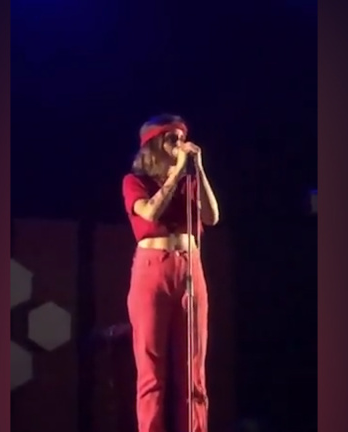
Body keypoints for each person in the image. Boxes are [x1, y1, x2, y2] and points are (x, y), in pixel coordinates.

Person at [122, 114, 220, 432]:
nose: (180, 144)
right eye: (172, 139)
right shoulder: (135, 182)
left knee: (194, 370)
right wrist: (176, 174)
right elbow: (149, 212)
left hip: (190, 267)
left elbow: (212, 217)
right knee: (152, 371)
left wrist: (197, 169)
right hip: (153, 269)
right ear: (153, 144)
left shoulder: (189, 183)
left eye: (182, 137)